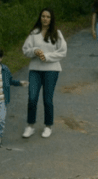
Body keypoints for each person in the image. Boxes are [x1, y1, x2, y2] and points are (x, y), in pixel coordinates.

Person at [22, 8, 67, 139]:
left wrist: (46, 56)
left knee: (47, 99)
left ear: (51, 19)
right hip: (35, 70)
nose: (45, 19)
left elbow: (62, 52)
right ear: (40, 18)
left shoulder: (56, 34)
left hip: (51, 70)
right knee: (32, 98)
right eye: (43, 16)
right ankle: (30, 126)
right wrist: (35, 50)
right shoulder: (34, 33)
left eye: (48, 17)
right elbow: (25, 50)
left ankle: (48, 126)